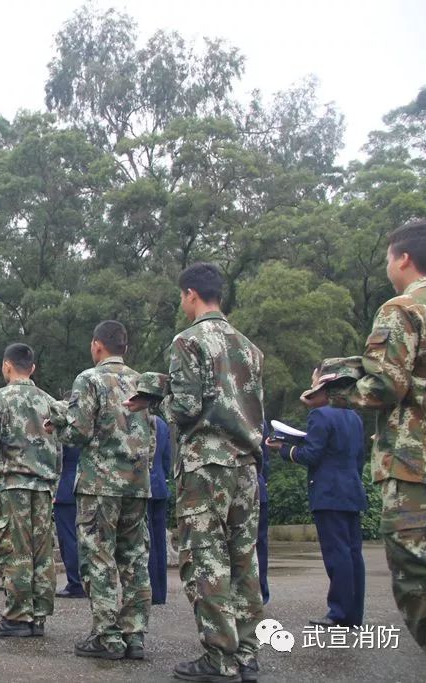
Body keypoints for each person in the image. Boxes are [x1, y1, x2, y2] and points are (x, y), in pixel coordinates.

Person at [127, 262, 265, 683]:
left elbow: (186, 409)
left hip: (206, 466)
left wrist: (156, 400)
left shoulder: (188, 341)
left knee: (205, 558)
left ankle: (219, 658)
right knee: (244, 560)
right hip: (245, 465)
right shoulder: (249, 347)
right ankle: (247, 652)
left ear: (190, 294)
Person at [315, 218, 426, 670]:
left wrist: (332, 393)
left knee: (417, 578)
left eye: (388, 257)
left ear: (403, 258)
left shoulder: (403, 308)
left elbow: (385, 385)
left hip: (416, 471)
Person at [49, 321, 154, 661]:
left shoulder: (90, 379)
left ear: (97, 345)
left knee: (99, 556)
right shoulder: (142, 381)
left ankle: (107, 635)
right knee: (135, 557)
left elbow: (79, 433)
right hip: (137, 484)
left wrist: (60, 426)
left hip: (100, 483)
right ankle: (134, 634)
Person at [0, 343, 61, 638]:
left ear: (6, 366)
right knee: (42, 552)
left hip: (12, 485)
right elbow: (59, 446)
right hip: (44, 486)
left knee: (15, 550)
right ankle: (38, 614)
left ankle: (18, 615)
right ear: (32, 368)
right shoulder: (50, 402)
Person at [266, 373, 367, 627]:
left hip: (328, 493)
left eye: (315, 390)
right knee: (353, 553)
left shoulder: (320, 415)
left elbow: (311, 455)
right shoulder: (354, 418)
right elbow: (358, 459)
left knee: (337, 555)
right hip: (351, 490)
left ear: (326, 393)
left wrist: (283, 450)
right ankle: (354, 614)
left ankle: (339, 613)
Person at [53, 446, 85, 599]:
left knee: (68, 539)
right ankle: (85, 580)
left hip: (66, 485)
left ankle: (75, 582)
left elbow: (56, 457)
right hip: (87, 484)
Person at [147, 415, 172, 605]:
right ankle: (160, 591)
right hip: (160, 486)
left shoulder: (137, 420)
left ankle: (150, 590)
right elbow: (166, 458)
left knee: (146, 542)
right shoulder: (162, 423)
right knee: (159, 542)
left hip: (142, 488)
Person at [258, 426, 271, 605]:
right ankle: (261, 593)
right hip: (258, 486)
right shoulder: (259, 416)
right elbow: (265, 459)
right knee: (259, 545)